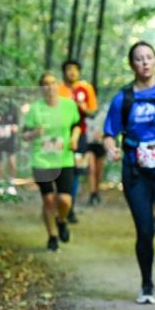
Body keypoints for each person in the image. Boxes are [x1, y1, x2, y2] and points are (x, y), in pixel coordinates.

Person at [102, 41, 155, 304]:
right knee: (145, 230)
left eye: (149, 57)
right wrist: (111, 148)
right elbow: (109, 133)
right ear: (132, 64)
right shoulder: (124, 98)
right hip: (135, 169)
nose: (145, 62)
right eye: (139, 58)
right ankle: (146, 285)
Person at [22, 73, 81, 251]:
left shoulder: (69, 105)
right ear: (41, 88)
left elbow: (77, 126)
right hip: (42, 161)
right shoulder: (35, 109)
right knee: (48, 200)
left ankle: (61, 220)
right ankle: (52, 237)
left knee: (64, 200)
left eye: (52, 83)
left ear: (58, 85)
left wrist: (74, 138)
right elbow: (25, 135)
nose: (49, 87)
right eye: (45, 84)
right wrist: (34, 133)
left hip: (64, 159)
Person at [58, 59, 98, 222]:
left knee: (76, 171)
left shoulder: (86, 88)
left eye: (75, 69)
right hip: (59, 135)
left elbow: (93, 112)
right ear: (64, 72)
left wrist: (84, 108)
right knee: (58, 170)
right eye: (69, 69)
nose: (72, 72)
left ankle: (70, 207)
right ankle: (59, 205)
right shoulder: (58, 89)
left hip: (80, 135)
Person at [84, 108, 107, 204]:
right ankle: (92, 193)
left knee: (99, 171)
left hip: (100, 144)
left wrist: (102, 135)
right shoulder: (84, 115)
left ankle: (96, 192)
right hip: (89, 145)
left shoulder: (103, 114)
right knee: (92, 169)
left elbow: (109, 129)